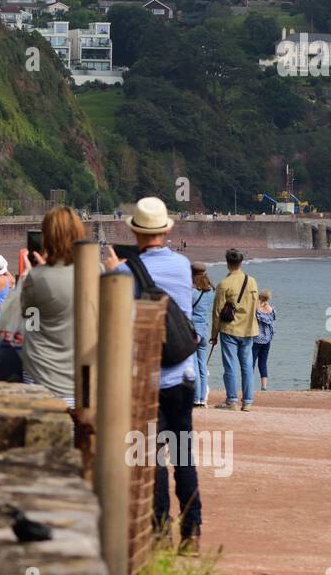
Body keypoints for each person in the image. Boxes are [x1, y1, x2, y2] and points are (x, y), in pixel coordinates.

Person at [102, 197, 200, 552]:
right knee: (184, 454)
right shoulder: (183, 264)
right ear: (165, 231)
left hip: (147, 379)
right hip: (184, 374)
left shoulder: (126, 272)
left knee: (153, 457)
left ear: (134, 231)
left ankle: (160, 533)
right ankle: (193, 532)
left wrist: (114, 271)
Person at [20, 207, 85, 407]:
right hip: (80, 383)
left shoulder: (37, 278)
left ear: (46, 237)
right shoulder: (96, 272)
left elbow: (30, 323)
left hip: (41, 379)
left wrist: (29, 279)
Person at [210, 248, 259, 410]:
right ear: (241, 262)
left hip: (229, 329)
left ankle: (231, 400)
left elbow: (217, 311)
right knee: (247, 365)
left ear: (227, 263)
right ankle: (248, 401)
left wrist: (214, 334)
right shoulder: (251, 281)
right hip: (248, 329)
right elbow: (255, 306)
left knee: (230, 365)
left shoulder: (224, 284)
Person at [190, 263, 215, 408]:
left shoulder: (191, 291)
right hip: (204, 330)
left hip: (193, 331)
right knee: (202, 366)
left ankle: (196, 398)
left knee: (193, 366)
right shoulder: (211, 291)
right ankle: (202, 398)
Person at [254, 289, 276, 391]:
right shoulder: (271, 309)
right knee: (263, 362)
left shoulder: (257, 309)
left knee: (251, 362)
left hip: (256, 339)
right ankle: (264, 386)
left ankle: (248, 383)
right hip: (267, 340)